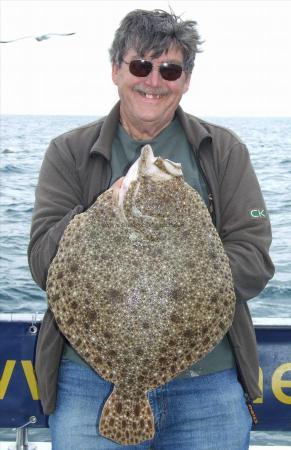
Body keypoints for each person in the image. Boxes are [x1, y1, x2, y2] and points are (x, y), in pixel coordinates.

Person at [28, 9, 274, 450]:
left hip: (208, 382)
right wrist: (99, 215)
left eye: (170, 69)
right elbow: (42, 263)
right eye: (140, 65)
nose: (153, 80)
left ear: (186, 79)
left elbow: (255, 260)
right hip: (90, 382)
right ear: (115, 70)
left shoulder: (225, 151)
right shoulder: (68, 152)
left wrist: (189, 265)